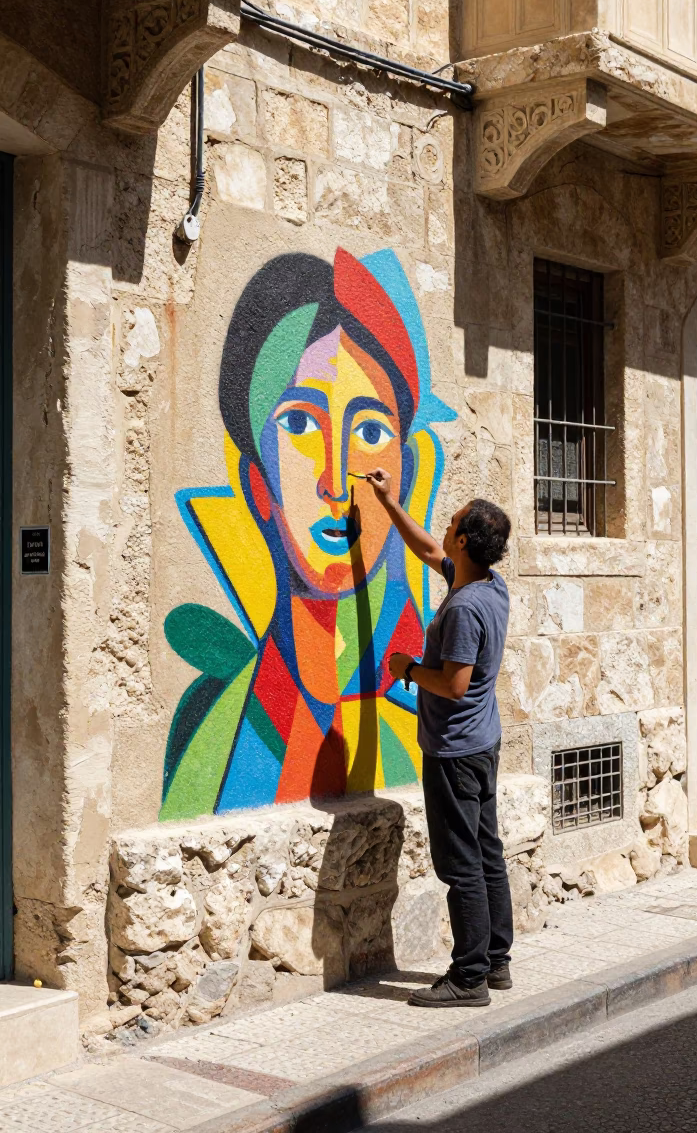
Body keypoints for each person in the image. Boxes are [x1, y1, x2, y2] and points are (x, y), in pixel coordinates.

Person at [160, 247, 456, 819]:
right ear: (258, 486)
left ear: (405, 475)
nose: (333, 478)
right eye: (298, 423)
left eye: (370, 429)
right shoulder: (210, 722)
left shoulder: (425, 705)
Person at [367, 469, 513, 1007]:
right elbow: (428, 547)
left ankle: (469, 977)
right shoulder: (487, 585)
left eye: (452, 522)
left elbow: (453, 683)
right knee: (487, 851)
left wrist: (408, 668)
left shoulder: (465, 608)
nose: (444, 526)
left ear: (467, 540)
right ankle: (497, 960)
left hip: (454, 750)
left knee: (460, 864)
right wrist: (388, 501)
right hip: (482, 742)